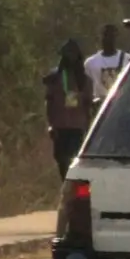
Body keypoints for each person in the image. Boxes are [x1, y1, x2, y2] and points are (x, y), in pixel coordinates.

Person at [42, 39, 95, 176]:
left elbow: (88, 105)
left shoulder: (85, 80)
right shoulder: (55, 78)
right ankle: (65, 182)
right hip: (60, 126)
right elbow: (49, 102)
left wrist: (88, 127)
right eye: (66, 56)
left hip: (77, 127)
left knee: (73, 159)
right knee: (60, 158)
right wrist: (51, 125)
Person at [83, 24, 130, 110]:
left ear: (116, 37)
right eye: (105, 35)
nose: (108, 39)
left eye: (111, 36)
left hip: (121, 107)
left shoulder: (127, 59)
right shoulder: (90, 63)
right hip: (99, 108)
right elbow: (86, 90)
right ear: (100, 37)